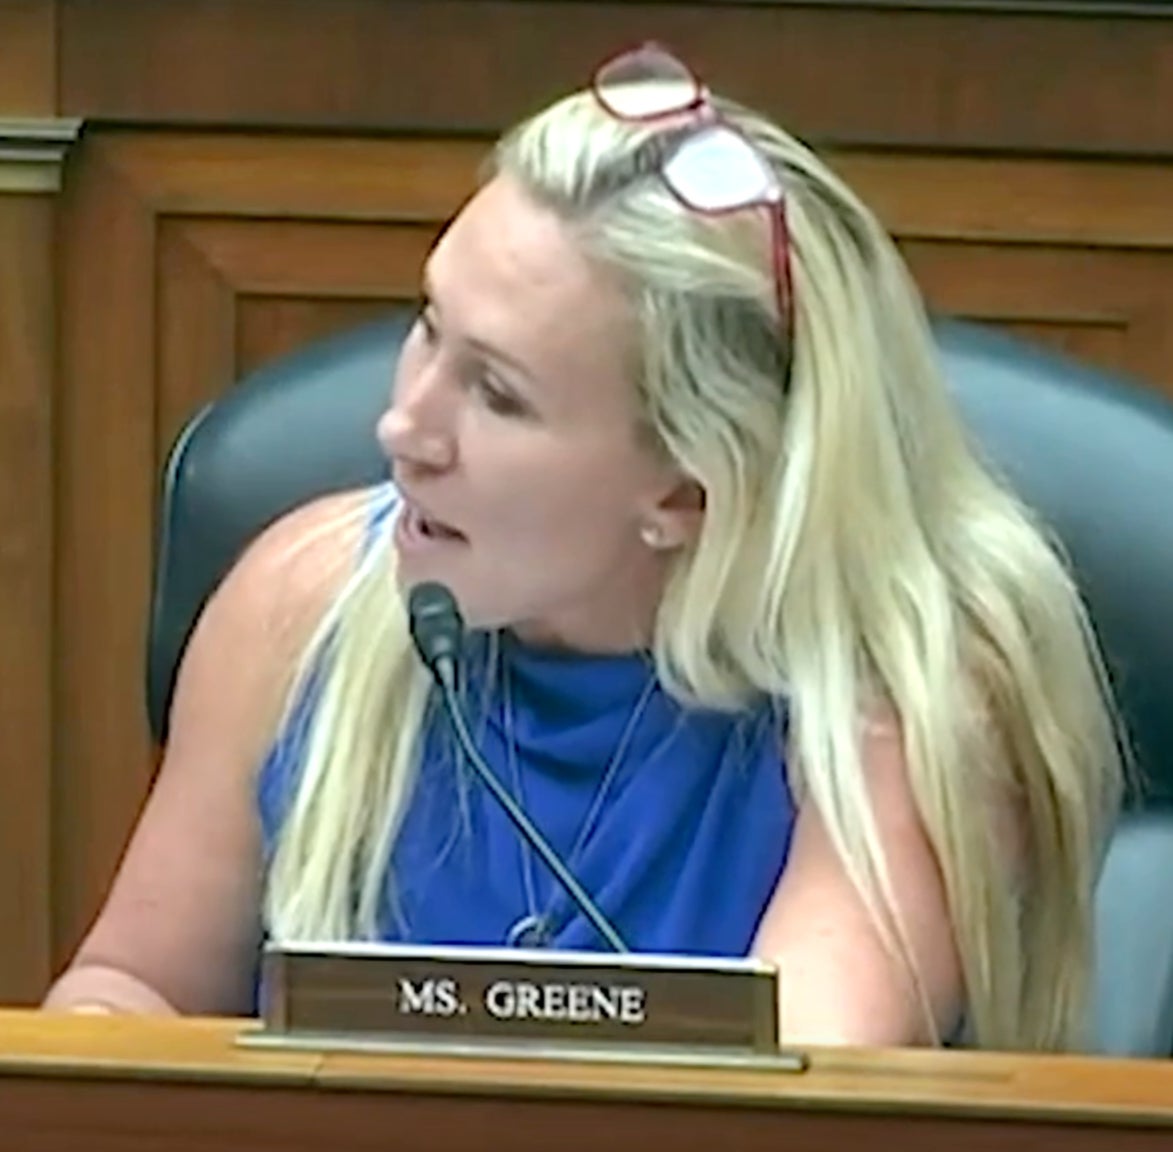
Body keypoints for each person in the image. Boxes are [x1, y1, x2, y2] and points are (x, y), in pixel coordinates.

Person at [44, 42, 1124, 1051]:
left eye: (498, 395)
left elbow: (786, 1115)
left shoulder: (912, 699)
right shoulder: (303, 602)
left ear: (688, 493)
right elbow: (137, 990)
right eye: (428, 327)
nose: (403, 429)